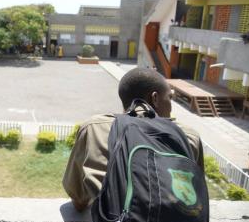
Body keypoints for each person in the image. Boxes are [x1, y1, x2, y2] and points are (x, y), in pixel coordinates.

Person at [63, 67, 204, 214]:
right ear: (154, 98)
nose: (170, 106)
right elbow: (197, 200)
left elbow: (79, 201)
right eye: (170, 98)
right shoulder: (188, 135)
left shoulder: (95, 128)